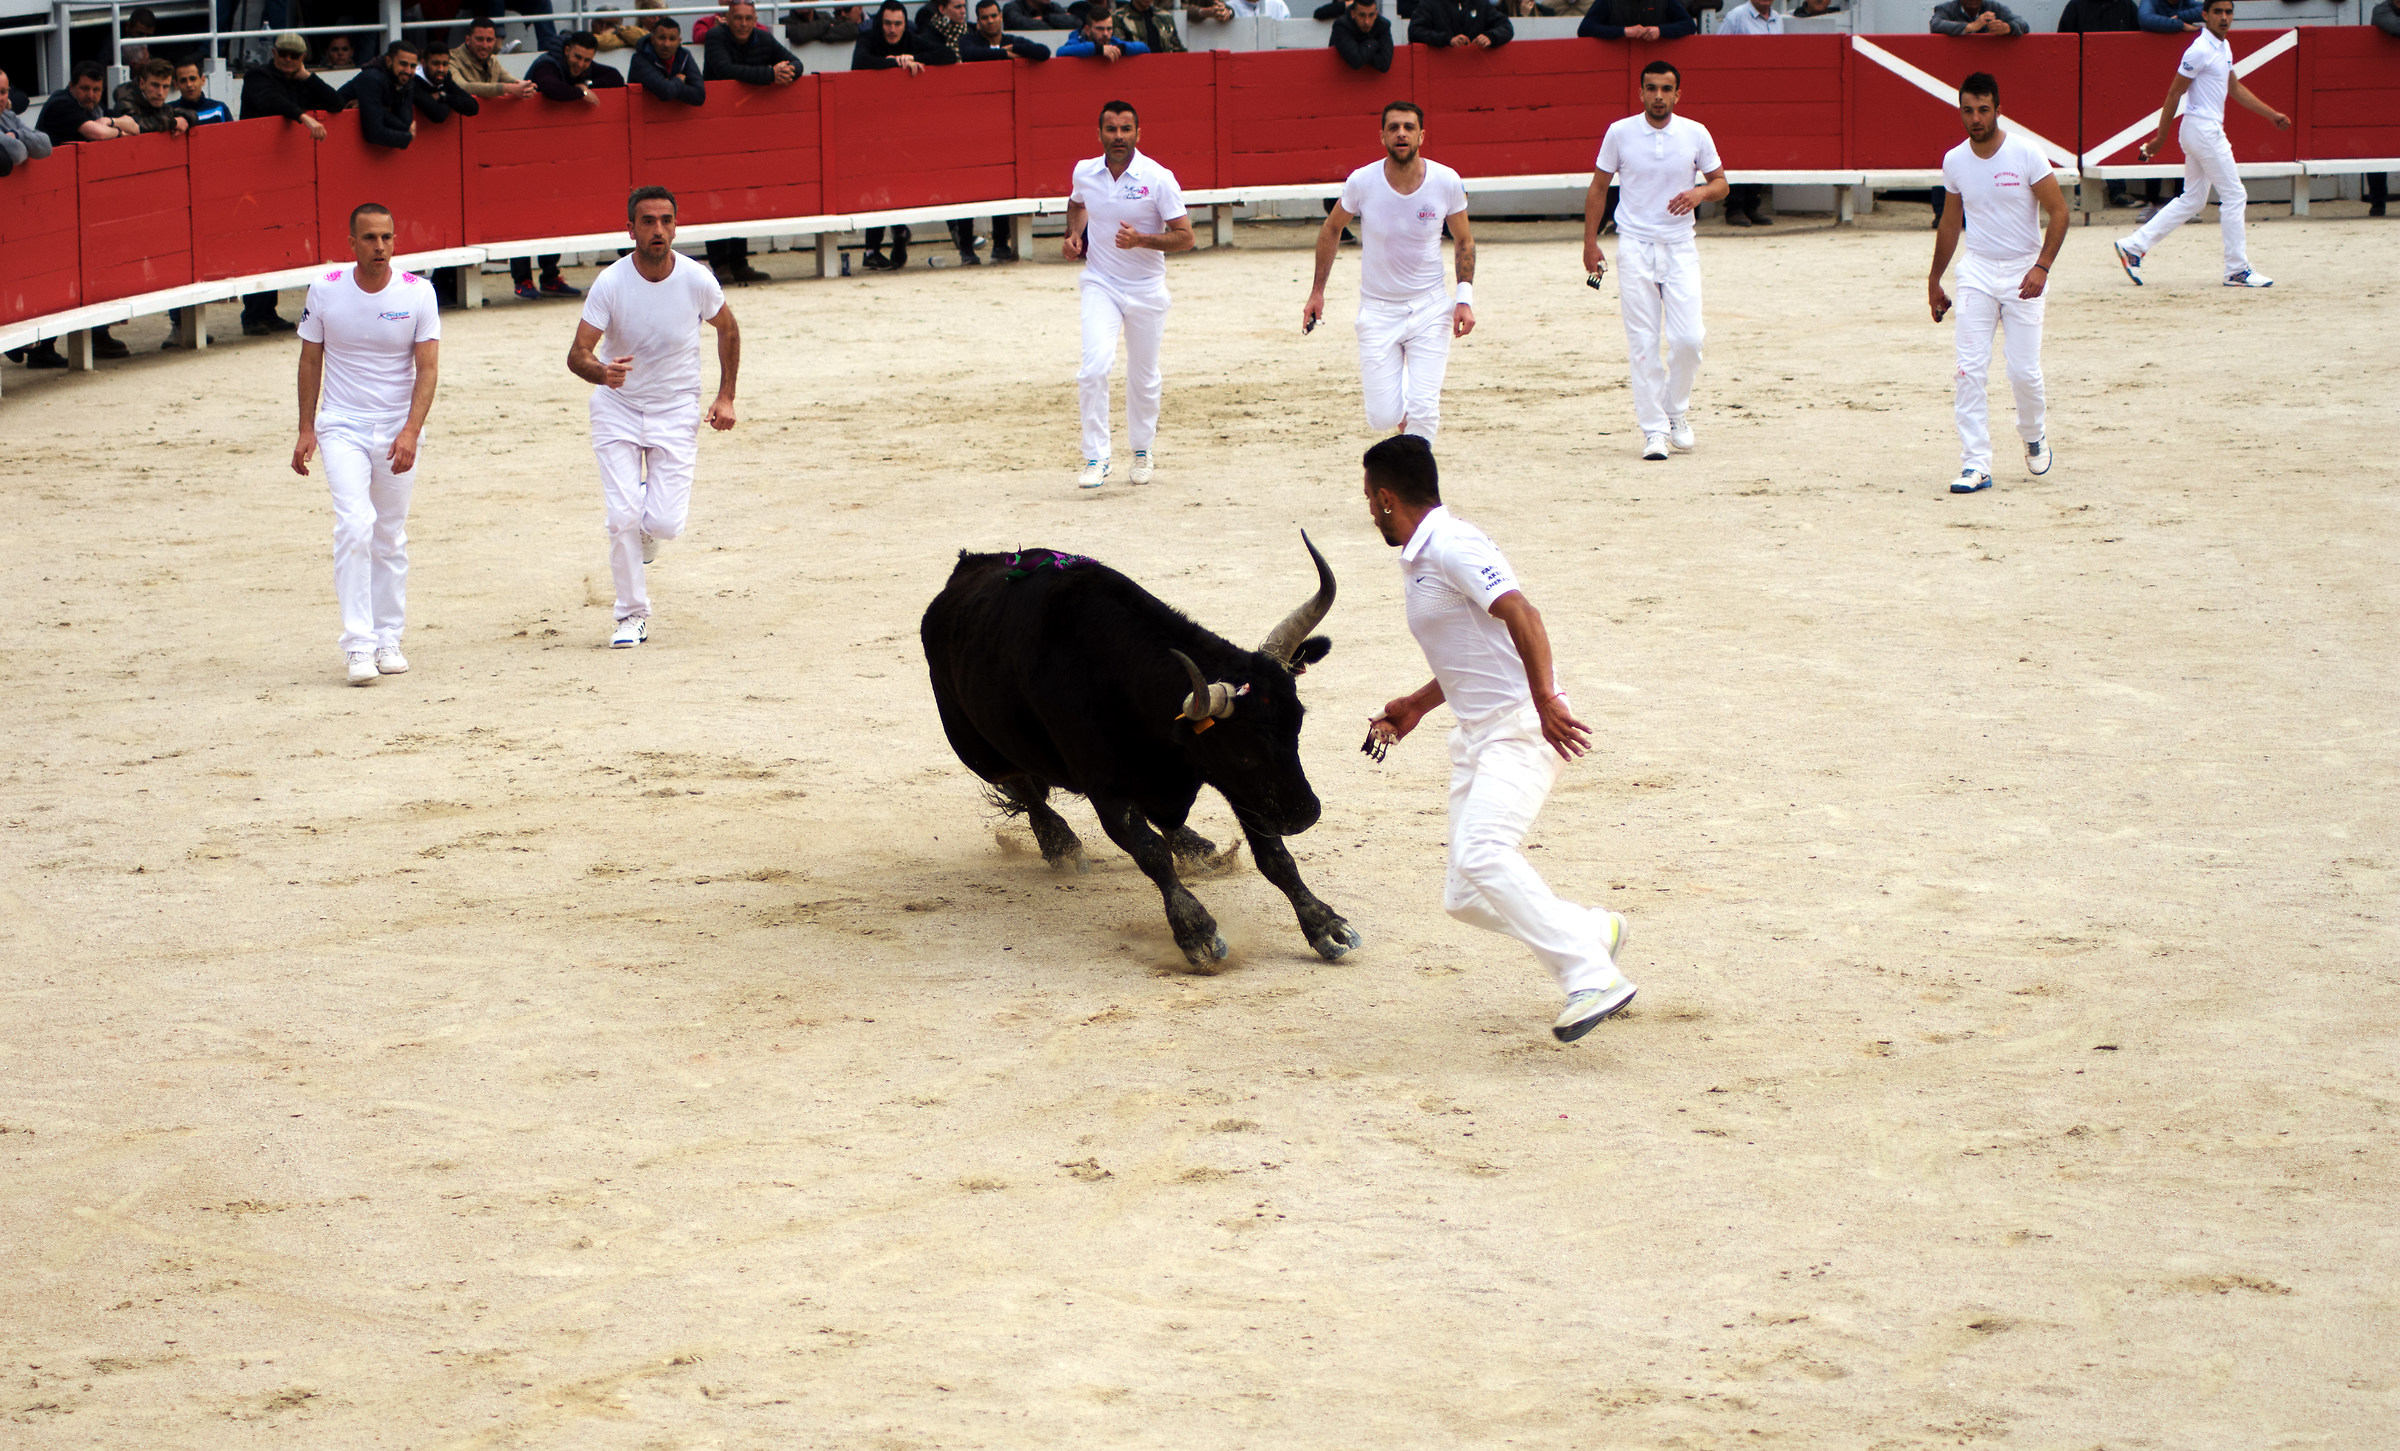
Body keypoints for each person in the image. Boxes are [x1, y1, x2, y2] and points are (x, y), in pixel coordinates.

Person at [1358, 435, 1638, 1044]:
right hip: (1478, 735)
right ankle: (1589, 931)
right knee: (1464, 894)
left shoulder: (1454, 545)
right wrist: (1417, 704)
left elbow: (1523, 614)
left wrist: (1544, 702)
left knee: (1485, 852)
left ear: (1384, 498)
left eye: (1367, 499)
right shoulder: (1425, 555)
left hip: (1520, 727)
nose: (1368, 511)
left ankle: (1591, 975)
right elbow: (1472, 649)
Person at [567, 186, 742, 650]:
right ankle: (631, 615)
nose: (658, 229)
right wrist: (603, 373)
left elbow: (727, 328)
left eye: (666, 220)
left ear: (676, 227)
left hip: (675, 408)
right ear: (631, 229)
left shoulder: (696, 278)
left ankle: (647, 524)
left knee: (663, 524)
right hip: (618, 409)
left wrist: (725, 396)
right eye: (648, 221)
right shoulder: (611, 282)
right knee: (622, 515)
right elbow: (577, 354)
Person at [292, 204, 442, 687]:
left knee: (390, 534)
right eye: (370, 238)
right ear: (352, 243)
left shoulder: (419, 293)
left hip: (396, 427)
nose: (380, 247)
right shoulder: (326, 289)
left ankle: (388, 637)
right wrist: (306, 427)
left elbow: (429, 368)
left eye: (387, 238)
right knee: (355, 525)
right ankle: (358, 643)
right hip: (342, 426)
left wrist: (411, 432)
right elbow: (310, 358)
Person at [1929, 72, 2066, 496]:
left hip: (2024, 269)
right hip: (1978, 271)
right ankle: (1975, 463)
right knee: (1969, 370)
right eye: (1968, 110)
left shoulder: (2026, 153)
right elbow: (1952, 222)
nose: (1975, 118)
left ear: (1998, 110)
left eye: (1983, 110)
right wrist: (1935, 279)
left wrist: (2041, 267)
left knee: (2023, 372)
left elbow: (2059, 213)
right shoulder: (1954, 160)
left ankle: (2034, 434)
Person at [1305, 102, 1474, 442]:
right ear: (1381, 135)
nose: (1401, 133)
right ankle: (1408, 398)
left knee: (1425, 410)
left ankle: (1418, 487)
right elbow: (1331, 229)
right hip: (1378, 310)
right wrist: (1317, 291)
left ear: (1421, 136)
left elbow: (1464, 241)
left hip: (1429, 306)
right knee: (1382, 417)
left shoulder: (1446, 181)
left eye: (1409, 127)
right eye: (1394, 127)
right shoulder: (1362, 181)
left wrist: (1463, 299)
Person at [1584, 60, 1725, 462]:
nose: (1658, 96)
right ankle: (1654, 431)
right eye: (1651, 88)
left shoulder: (1695, 132)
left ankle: (1675, 411)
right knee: (1643, 342)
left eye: (1666, 89)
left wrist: (1699, 194)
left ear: (1678, 94)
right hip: (1634, 245)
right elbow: (1598, 188)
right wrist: (1590, 243)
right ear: (1641, 92)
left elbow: (1721, 183)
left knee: (1689, 339)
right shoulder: (1620, 132)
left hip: (1681, 245)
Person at [2112, 0, 2288, 290]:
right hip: (2203, 130)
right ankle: (2236, 270)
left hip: (2200, 130)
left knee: (2193, 199)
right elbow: (2173, 93)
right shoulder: (2199, 49)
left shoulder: (2222, 46)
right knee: (2234, 195)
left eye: (2228, 12)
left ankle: (2133, 245)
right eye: (2217, 12)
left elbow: (2234, 88)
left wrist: (2271, 115)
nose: (2223, 18)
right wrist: (2160, 138)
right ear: (2205, 15)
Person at [1064, 99, 1192, 487]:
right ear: (1099, 133)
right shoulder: (1085, 172)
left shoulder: (1158, 177)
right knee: (1094, 367)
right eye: (1111, 129)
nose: (1118, 137)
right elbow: (1076, 203)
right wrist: (1073, 235)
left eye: (1125, 129)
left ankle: (1142, 447)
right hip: (1100, 282)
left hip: (1146, 289)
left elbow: (1185, 237)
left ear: (1138, 133)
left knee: (1143, 375)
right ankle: (1096, 457)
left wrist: (1142, 240)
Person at [235, 36, 340, 337]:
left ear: (303, 57)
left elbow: (335, 103)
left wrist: (308, 76)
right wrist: (304, 117)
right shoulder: (258, 76)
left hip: (289, 175)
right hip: (256, 175)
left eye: (295, 57)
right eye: (284, 54)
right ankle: (255, 314)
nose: (288, 60)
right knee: (261, 242)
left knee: (281, 239)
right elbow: (271, 102)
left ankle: (267, 312)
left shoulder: (300, 79)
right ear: (274, 53)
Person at [34, 64, 140, 362]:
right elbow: (100, 133)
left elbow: (136, 127)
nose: (91, 95)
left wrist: (111, 122)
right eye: (85, 89)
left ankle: (95, 334)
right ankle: (39, 347)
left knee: (89, 266)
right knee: (59, 271)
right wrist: (116, 127)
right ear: (71, 86)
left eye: (96, 90)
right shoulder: (62, 105)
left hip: (79, 200)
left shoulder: (93, 108)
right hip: (53, 202)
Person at [340, 41, 421, 149]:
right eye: (403, 64)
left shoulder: (406, 81)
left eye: (413, 66)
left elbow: (405, 124)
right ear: (388, 61)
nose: (408, 71)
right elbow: (374, 133)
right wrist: (407, 138)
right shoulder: (372, 78)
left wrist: (378, 109)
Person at [451, 18, 537, 100]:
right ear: (468, 40)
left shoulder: (492, 59)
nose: (485, 46)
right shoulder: (451, 59)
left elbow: (511, 80)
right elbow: (462, 87)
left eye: (489, 40)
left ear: (495, 41)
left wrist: (526, 86)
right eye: (480, 39)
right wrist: (508, 88)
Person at [631, 15, 705, 104]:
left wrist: (671, 85)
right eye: (662, 38)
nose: (666, 44)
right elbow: (665, 92)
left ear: (679, 41)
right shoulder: (640, 59)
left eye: (672, 39)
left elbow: (699, 95)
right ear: (652, 39)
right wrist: (678, 80)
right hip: (642, 115)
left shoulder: (684, 56)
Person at [113, 57, 197, 135]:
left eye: (165, 87)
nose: (160, 92)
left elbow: (191, 114)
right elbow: (135, 125)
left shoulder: (154, 101)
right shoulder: (125, 103)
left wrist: (186, 120)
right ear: (142, 84)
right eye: (155, 85)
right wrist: (173, 123)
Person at [0, 66, 54, 181]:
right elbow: (17, 153)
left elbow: (46, 146)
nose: (0, 98)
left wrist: (17, 134)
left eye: (3, 92)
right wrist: (26, 144)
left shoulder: (8, 115)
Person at [412, 43, 483, 123]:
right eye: (435, 64)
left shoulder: (445, 78)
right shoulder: (413, 81)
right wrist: (453, 99)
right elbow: (439, 115)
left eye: (445, 64)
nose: (441, 69)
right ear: (423, 62)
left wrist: (443, 96)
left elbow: (473, 107)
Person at [1408, 0, 1512, 48]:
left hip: (1477, 68)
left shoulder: (1481, 4)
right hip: (1441, 68)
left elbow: (1505, 27)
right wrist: (1446, 40)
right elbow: (1415, 31)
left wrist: (1490, 37)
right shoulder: (1430, 4)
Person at [1577, 0, 1696, 39]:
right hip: (1615, 58)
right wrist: (1623, 32)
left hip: (1659, 62)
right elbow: (1585, 29)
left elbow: (1689, 25)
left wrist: (1660, 31)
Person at [1329, 0, 1393, 71]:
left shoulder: (1383, 25)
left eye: (1371, 15)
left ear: (1376, 15)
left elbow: (1384, 64)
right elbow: (1356, 60)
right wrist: (1373, 44)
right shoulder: (1341, 26)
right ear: (1353, 13)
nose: (1367, 22)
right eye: (1362, 15)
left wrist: (1360, 49)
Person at [171, 56, 234, 126]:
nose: (189, 84)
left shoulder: (219, 109)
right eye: (183, 80)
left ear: (203, 80)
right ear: (176, 84)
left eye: (193, 79)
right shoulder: (169, 112)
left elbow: (232, 135)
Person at [1060, 11, 1148, 56]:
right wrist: (1097, 50)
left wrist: (1122, 48)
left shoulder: (1114, 43)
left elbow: (1144, 48)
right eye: (1100, 29)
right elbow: (1061, 52)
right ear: (1087, 30)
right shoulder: (1076, 40)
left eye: (1109, 29)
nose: (1105, 34)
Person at [1116, 0, 1189, 51]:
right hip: (1134, 69)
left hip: (1164, 68)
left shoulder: (1165, 17)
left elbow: (1177, 48)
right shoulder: (1119, 17)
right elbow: (1119, 48)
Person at [1929, 0, 2028, 35]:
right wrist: (1971, 27)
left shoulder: (1995, 7)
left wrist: (2007, 28)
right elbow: (1935, 25)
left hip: (1991, 60)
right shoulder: (1946, 8)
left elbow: (2023, 24)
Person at [787, 3, 868, 44]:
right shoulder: (783, 23)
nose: (842, 14)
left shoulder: (825, 16)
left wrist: (813, 34)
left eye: (847, 9)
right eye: (838, 12)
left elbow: (852, 29)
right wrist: (825, 26)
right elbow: (798, 34)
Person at [2136, 0, 2200, 32]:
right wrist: (2181, 25)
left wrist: (2180, 16)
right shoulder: (2150, 1)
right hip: (2154, 45)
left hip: (2182, 47)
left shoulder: (2185, 2)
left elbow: (2206, 10)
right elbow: (2145, 19)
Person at [1004, 0, 1080, 24]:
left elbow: (1076, 22)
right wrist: (1056, 23)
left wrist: (1045, 18)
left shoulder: (1053, 7)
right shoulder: (1012, 7)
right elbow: (1019, 23)